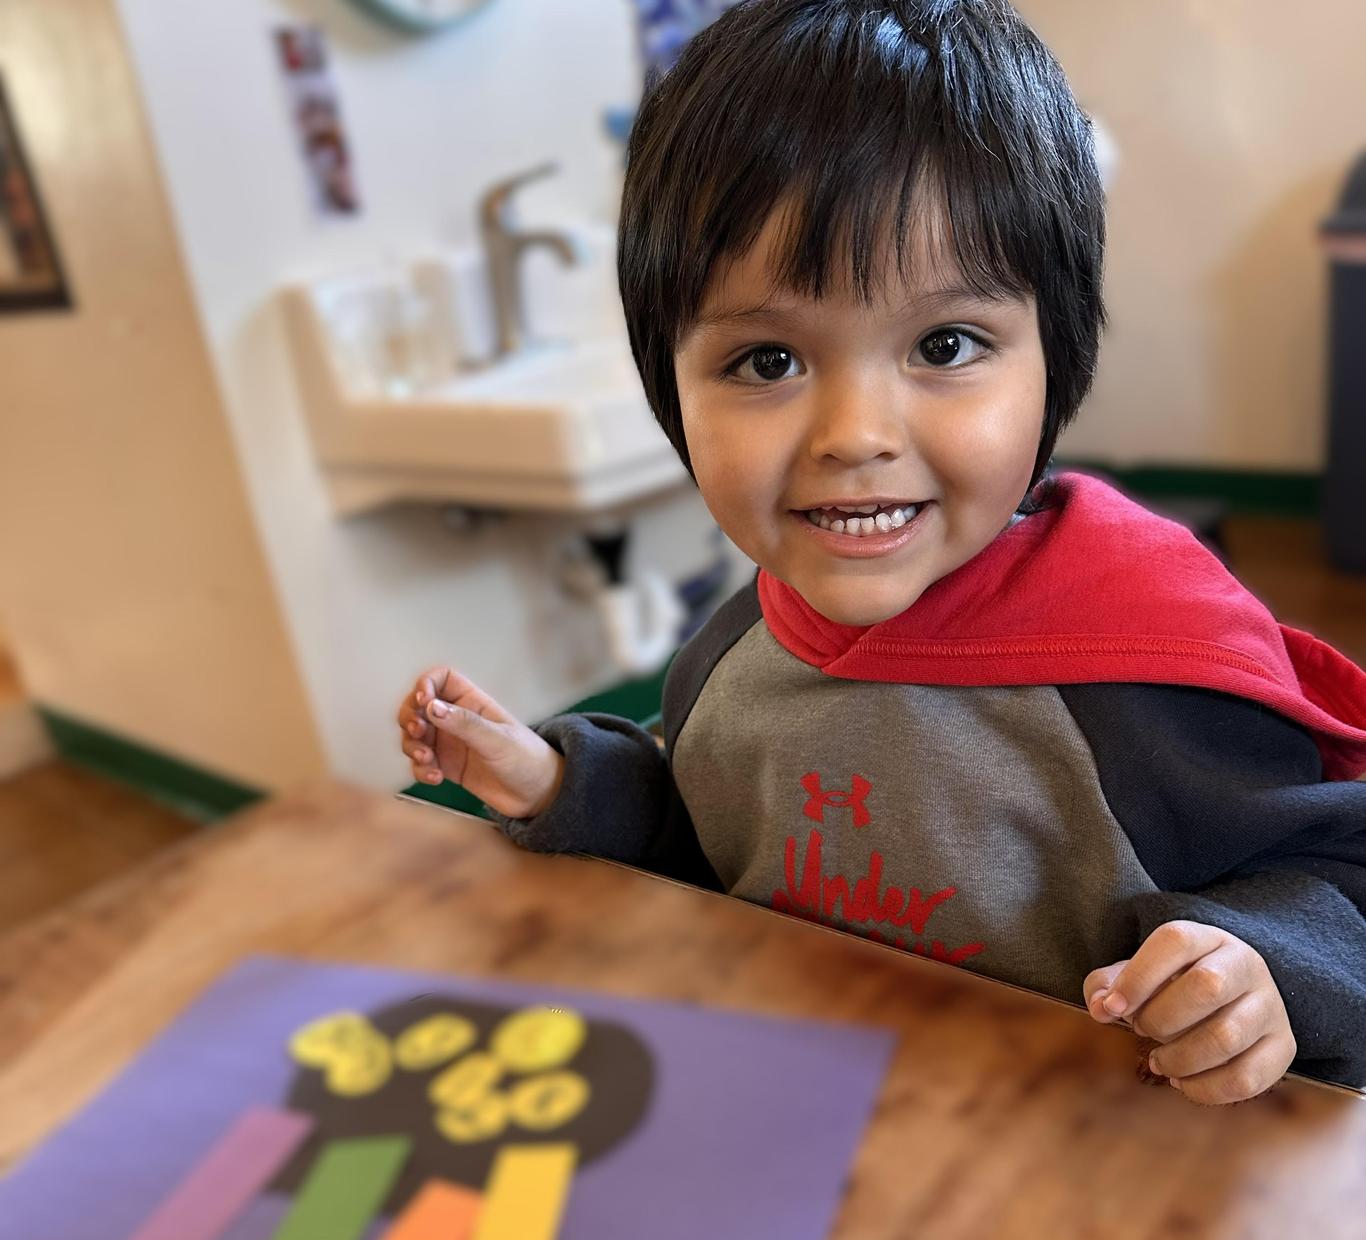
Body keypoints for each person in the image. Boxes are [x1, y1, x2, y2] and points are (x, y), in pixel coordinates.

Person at [396, 0, 1366, 1102]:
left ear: (1055, 353)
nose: (853, 434)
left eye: (944, 344)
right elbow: (710, 839)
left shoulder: (1145, 668)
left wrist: (1260, 972)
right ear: (672, 383)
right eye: (765, 361)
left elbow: (1340, 871)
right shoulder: (734, 653)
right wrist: (564, 781)